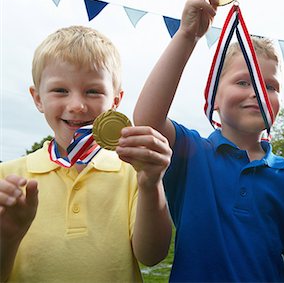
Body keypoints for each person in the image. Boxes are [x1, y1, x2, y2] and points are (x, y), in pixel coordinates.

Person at [133, 0, 284, 282]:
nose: (257, 92)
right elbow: (148, 121)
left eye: (270, 86)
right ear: (213, 99)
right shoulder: (193, 152)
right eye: (244, 82)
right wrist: (187, 36)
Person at [0, 25, 173, 282]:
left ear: (115, 101)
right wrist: (8, 235)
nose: (77, 106)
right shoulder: (8, 177)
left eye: (93, 91)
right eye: (60, 90)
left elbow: (152, 256)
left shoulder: (133, 172)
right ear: (37, 98)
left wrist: (151, 184)